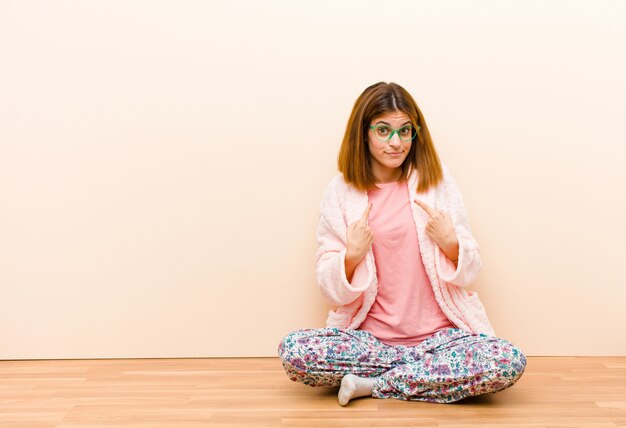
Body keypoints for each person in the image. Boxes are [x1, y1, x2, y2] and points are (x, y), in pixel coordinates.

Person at [277, 82, 526, 406]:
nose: (396, 143)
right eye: (384, 131)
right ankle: (417, 377)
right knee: (295, 350)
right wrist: (350, 258)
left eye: (405, 131)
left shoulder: (436, 183)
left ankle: (373, 385)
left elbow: (471, 270)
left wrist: (451, 244)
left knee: (507, 361)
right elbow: (330, 290)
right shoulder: (341, 193)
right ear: (363, 133)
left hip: (442, 342)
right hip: (370, 345)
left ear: (415, 133)